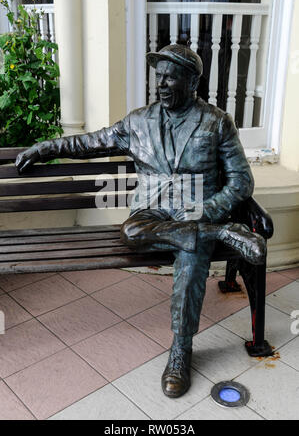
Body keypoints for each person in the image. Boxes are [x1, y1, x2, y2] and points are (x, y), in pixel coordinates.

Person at [16, 44, 266, 399]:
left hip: (198, 209)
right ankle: (221, 232)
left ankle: (181, 349)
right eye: (158, 76)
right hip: (153, 211)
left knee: (191, 255)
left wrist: (209, 208)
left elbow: (241, 181)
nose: (161, 84)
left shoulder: (216, 122)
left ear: (192, 81)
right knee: (132, 230)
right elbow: (91, 142)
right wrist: (45, 149)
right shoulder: (138, 122)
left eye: (170, 77)